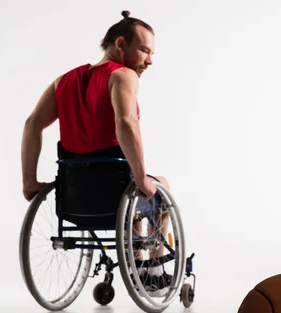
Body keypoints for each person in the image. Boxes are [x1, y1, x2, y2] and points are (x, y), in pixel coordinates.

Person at [20, 10, 172, 294]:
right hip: (115, 193)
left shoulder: (63, 81)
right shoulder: (122, 76)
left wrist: (29, 181)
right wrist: (141, 179)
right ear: (121, 45)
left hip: (75, 197)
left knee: (133, 189)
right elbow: (126, 122)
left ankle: (137, 259)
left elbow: (32, 124)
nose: (150, 61)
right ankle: (153, 268)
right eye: (144, 51)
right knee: (158, 186)